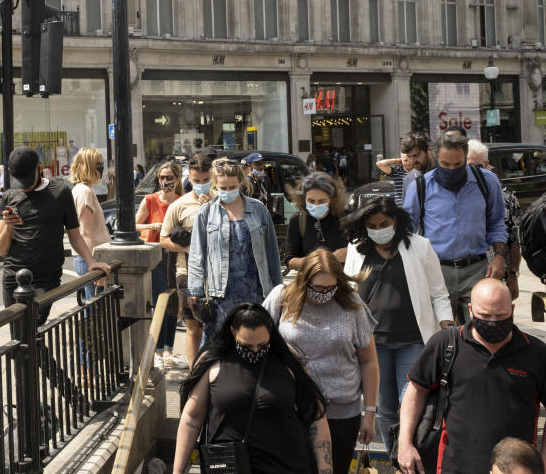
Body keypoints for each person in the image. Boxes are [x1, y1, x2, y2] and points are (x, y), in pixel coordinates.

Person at [342, 196, 453, 454]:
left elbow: (438, 293)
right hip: (372, 344)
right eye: (373, 225)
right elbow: (349, 292)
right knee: (385, 407)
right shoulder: (356, 249)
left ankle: (409, 455)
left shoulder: (420, 246)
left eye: (385, 223)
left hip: (413, 340)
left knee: (410, 404)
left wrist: (447, 328)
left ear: (396, 221)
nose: (379, 229)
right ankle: (396, 459)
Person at [398, 280, 546, 474]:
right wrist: (404, 443)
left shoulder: (536, 352)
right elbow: (416, 390)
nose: (492, 322)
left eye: (500, 315)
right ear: (470, 309)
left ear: (512, 309)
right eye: (484, 315)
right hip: (454, 467)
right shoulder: (446, 344)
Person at [172, 303, 334, 474]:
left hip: (285, 465)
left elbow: (316, 416)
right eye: (247, 346)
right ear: (233, 332)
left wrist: (325, 469)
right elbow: (192, 418)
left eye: (262, 345)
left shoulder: (288, 360)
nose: (256, 350)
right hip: (228, 465)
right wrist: (178, 471)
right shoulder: (213, 362)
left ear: (270, 331)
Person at [263, 249, 378, 474]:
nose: (324, 294)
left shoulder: (352, 304)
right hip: (293, 407)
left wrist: (370, 414)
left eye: (330, 288)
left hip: (341, 411)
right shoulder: (281, 297)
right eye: (317, 288)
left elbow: (369, 361)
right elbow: (258, 337)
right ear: (304, 281)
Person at [0, 147, 111, 324]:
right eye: (20, 181)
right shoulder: (9, 195)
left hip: (45, 279)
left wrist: (91, 262)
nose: (24, 187)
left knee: (32, 329)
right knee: (18, 336)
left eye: (26, 179)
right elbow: (1, 250)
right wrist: (9, 227)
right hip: (13, 277)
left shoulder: (60, 192)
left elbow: (75, 235)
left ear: (39, 167)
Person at [403, 130, 508, 324]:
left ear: (465, 157)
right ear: (434, 156)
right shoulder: (420, 187)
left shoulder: (487, 182)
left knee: (482, 330)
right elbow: (406, 232)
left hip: (478, 270)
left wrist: (500, 257)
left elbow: (497, 223)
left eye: (458, 164)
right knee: (442, 338)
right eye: (445, 164)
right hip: (436, 272)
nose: (452, 169)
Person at [186, 158, 283, 345]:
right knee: (220, 345)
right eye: (223, 188)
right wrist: (195, 290)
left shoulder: (258, 209)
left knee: (255, 341)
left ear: (240, 182)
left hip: (256, 289)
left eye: (232, 187)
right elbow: (197, 254)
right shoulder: (206, 212)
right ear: (215, 184)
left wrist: (278, 289)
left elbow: (272, 253)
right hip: (221, 294)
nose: (228, 192)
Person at [161, 152, 215, 367]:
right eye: (196, 181)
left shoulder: (222, 200)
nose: (201, 185)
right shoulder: (179, 205)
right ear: (189, 179)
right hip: (188, 272)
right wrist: (187, 247)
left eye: (206, 181)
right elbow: (163, 240)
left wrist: (213, 206)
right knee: (194, 327)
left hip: (218, 272)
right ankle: (194, 372)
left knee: (217, 324)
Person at [136, 160, 184, 369]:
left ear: (177, 179)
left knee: (173, 304)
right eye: (162, 178)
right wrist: (154, 225)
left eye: (169, 178)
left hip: (175, 256)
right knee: (159, 303)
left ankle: (168, 350)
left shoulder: (182, 201)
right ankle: (156, 351)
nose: (165, 182)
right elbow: (134, 225)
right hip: (155, 255)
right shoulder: (150, 200)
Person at [467, 139, 523, 300]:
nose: (472, 172)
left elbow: (514, 238)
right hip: (467, 273)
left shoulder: (506, 196)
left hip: (498, 274)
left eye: (476, 167)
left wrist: (513, 274)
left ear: (486, 164)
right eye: (467, 166)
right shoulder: (455, 196)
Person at [69, 148, 112, 301]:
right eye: (98, 164)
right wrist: (92, 264)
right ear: (88, 167)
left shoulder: (83, 190)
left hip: (90, 257)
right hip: (91, 258)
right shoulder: (84, 192)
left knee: (95, 310)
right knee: (96, 312)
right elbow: (85, 232)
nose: (102, 168)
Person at [286, 172, 348, 272]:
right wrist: (319, 260)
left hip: (343, 280)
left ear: (331, 199)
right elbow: (290, 260)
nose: (316, 205)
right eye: (311, 201)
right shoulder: (297, 220)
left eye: (322, 201)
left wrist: (349, 252)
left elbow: (365, 249)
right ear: (303, 199)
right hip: (311, 281)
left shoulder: (346, 217)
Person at [399, 131, 433, 204]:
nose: (412, 161)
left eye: (415, 155)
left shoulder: (443, 173)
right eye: (409, 156)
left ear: (429, 150)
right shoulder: (409, 180)